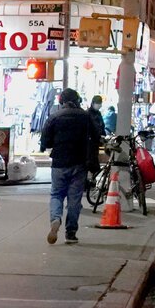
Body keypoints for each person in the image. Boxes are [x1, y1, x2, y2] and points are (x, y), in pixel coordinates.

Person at [41, 88, 101, 245]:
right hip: (79, 163)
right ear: (78, 101)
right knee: (74, 199)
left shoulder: (54, 117)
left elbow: (45, 141)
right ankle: (71, 232)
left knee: (56, 194)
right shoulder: (86, 117)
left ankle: (55, 219)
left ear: (61, 101)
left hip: (59, 162)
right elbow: (97, 135)